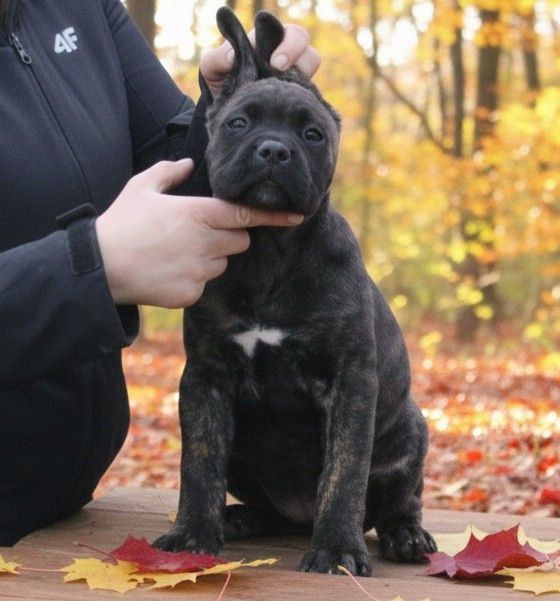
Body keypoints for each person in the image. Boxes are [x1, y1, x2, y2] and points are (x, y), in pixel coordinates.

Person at [0, 0, 320, 546]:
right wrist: (92, 269)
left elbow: (178, 166)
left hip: (57, 518)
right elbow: (103, 256)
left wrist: (230, 109)